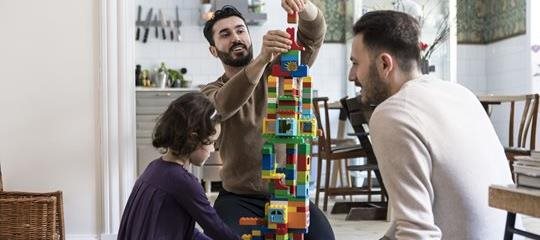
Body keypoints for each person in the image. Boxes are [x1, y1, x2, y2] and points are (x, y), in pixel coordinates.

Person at [347, 10, 515, 240]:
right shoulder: (460, 93)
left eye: (356, 63)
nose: (351, 75)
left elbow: (417, 234)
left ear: (385, 64)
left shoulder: (393, 113)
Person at [201, 1, 335, 239]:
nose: (236, 38)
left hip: (290, 194)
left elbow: (314, 34)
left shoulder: (279, 71)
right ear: (213, 50)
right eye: (225, 34)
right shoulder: (211, 91)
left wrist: (304, 7)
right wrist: (261, 59)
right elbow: (222, 106)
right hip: (239, 197)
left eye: (241, 30)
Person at [118, 92, 240, 240]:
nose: (213, 149)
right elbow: (216, 228)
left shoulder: (154, 167)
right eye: (212, 142)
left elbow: (183, 230)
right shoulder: (184, 183)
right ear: (193, 137)